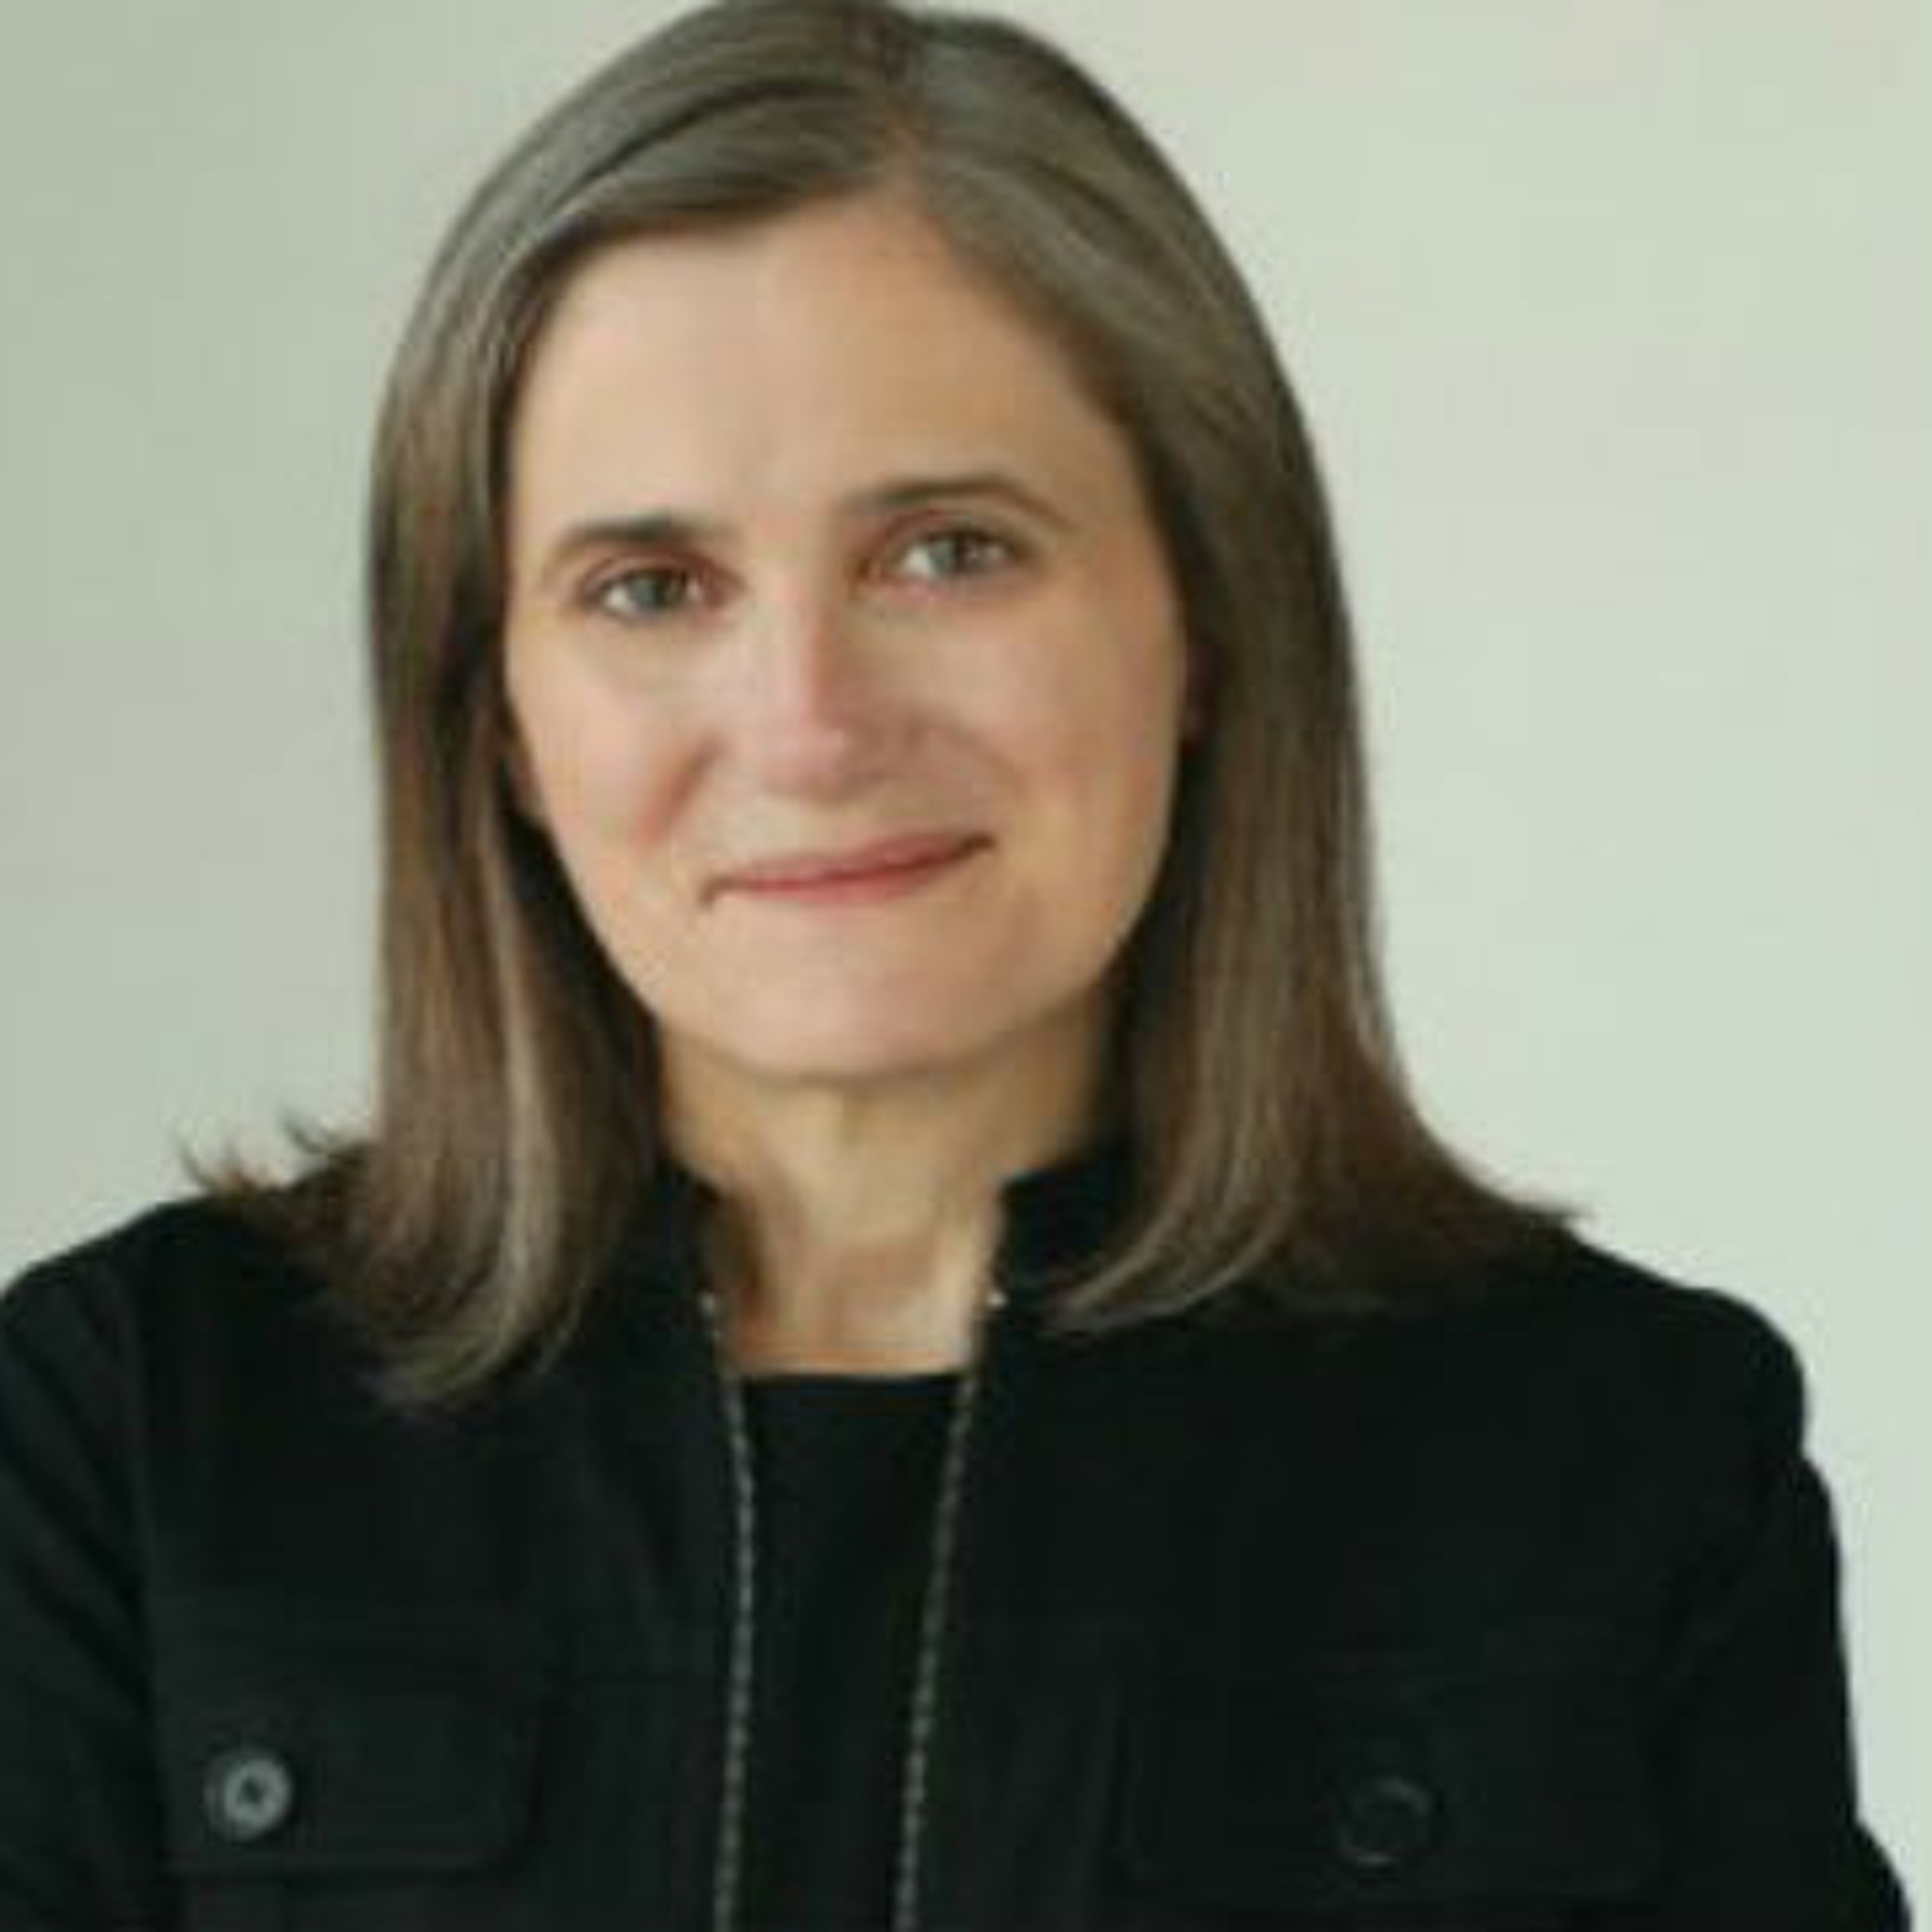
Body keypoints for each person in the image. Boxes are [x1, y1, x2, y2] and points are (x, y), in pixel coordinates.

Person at [0, 1, 1910, 1927]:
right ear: (497, 717)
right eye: (652, 590)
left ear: (1209, 620)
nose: (810, 726)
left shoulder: (1631, 1463)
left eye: (949, 553)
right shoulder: (123, 1435)